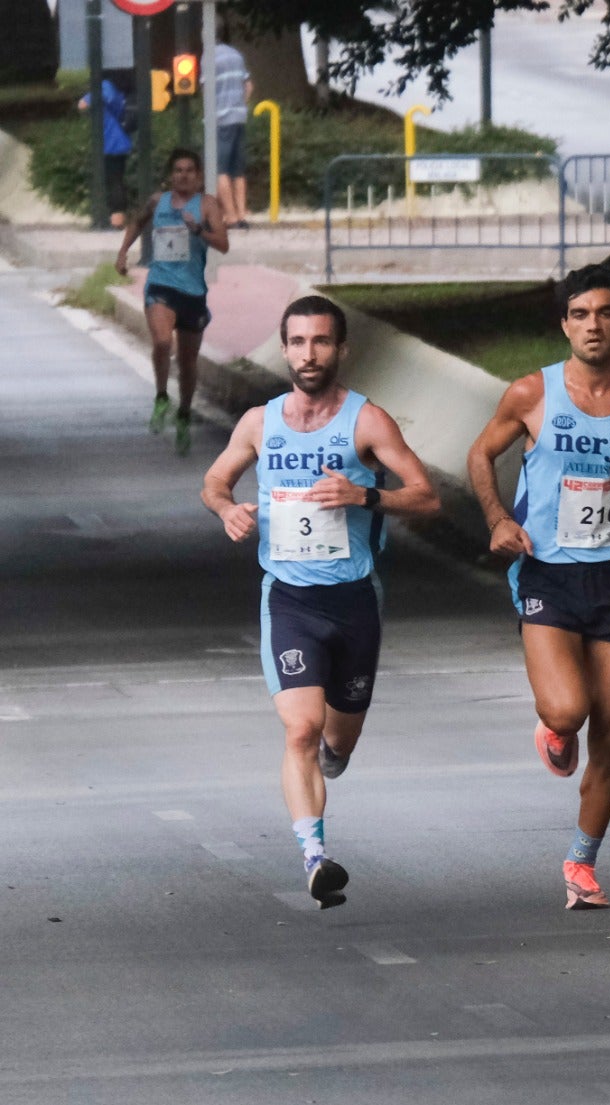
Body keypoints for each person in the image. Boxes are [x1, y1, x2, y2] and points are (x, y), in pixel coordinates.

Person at [466, 266, 610, 909]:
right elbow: (479, 455)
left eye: (606, 313)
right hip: (549, 574)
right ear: (565, 324)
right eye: (581, 315)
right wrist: (498, 520)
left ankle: (582, 863)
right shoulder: (531, 393)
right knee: (568, 711)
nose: (594, 325)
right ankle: (552, 729)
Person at [200, 296, 441, 907]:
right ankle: (315, 855)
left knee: (337, 744)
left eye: (322, 342)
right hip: (289, 600)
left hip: (355, 601)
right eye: (299, 342)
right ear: (284, 349)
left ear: (341, 349)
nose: (310, 354)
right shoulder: (261, 421)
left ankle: (334, 755)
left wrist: (365, 498)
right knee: (301, 730)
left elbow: (426, 496)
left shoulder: (367, 421)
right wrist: (228, 508)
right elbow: (214, 479)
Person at [115, 149, 229, 457]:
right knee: (163, 342)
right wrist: (123, 252)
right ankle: (162, 395)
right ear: (171, 175)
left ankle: (184, 412)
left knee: (189, 361)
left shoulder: (207, 205)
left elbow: (224, 244)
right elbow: (137, 223)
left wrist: (198, 230)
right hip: (161, 284)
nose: (183, 175)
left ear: (199, 176)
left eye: (190, 170)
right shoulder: (158, 202)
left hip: (192, 291)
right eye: (178, 170)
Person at [78, 76, 133, 229]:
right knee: (116, 180)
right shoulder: (117, 92)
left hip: (110, 143)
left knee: (113, 182)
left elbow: (82, 105)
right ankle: (117, 219)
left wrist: (88, 98)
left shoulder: (104, 86)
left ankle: (115, 220)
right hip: (119, 142)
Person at [211, 36, 253, 228]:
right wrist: (240, 105)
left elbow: (207, 90)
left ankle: (231, 216)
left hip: (220, 119)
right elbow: (248, 86)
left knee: (220, 169)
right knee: (238, 170)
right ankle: (242, 214)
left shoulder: (209, 58)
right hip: (239, 117)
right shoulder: (237, 55)